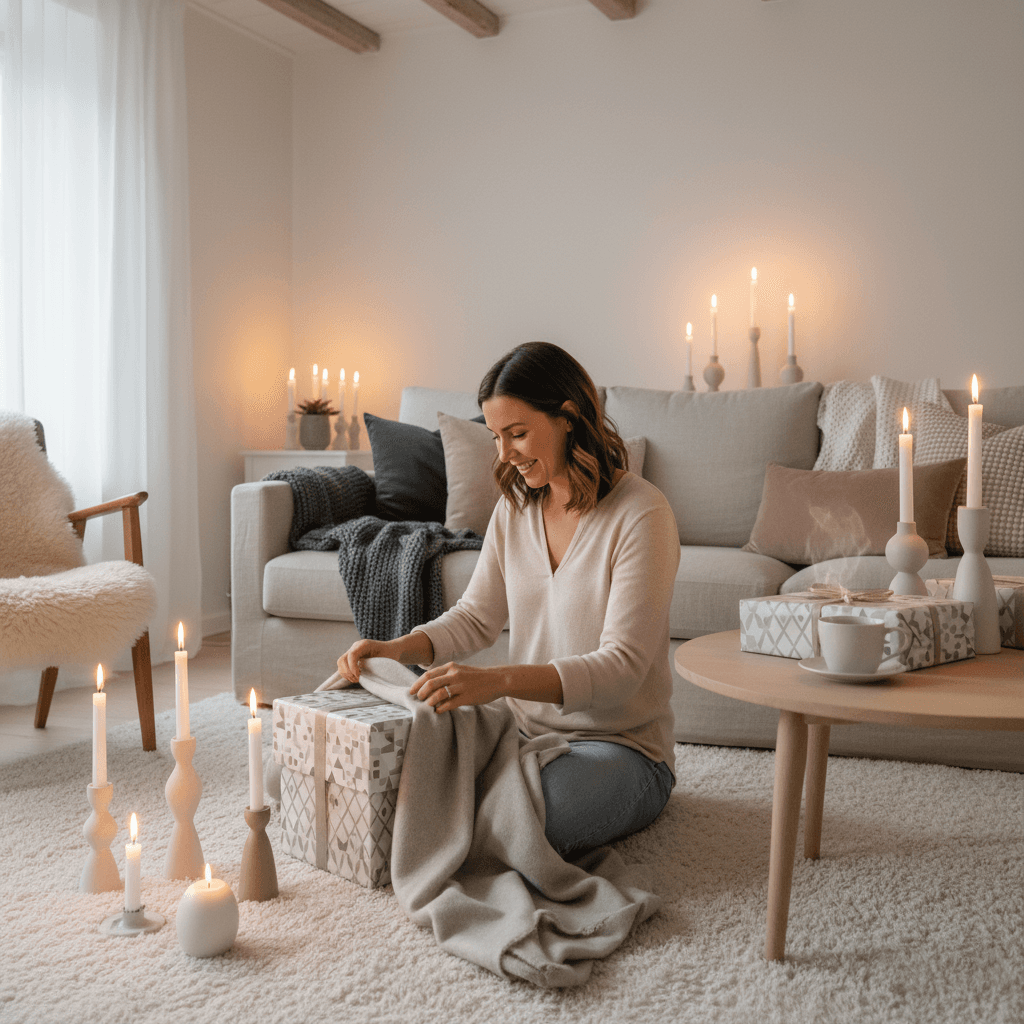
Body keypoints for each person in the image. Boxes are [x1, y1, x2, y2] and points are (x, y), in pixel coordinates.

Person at [335, 342, 680, 857]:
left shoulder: (642, 514)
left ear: (568, 417)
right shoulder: (515, 509)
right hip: (519, 735)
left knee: (527, 820)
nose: (503, 455)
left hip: (623, 749)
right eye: (497, 437)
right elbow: (476, 617)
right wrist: (395, 648)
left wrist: (497, 682)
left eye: (517, 434)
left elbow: (623, 667)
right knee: (398, 777)